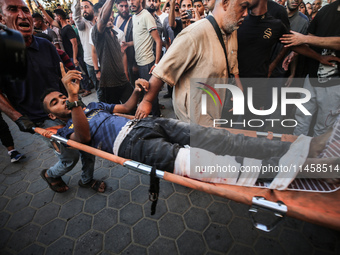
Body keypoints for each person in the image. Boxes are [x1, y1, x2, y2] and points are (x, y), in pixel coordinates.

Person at [42, 65, 340, 190]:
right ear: (56, 116)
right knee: (216, 164)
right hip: (133, 146)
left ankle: (303, 147)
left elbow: (125, 108)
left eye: (59, 97)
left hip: (148, 124)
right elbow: (85, 137)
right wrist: (72, 99)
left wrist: (136, 90)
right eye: (55, 102)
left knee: (222, 139)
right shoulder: (67, 130)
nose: (60, 101)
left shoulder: (92, 106)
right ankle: (315, 169)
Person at [0, 0, 95, 193]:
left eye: (25, 9)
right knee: (70, 156)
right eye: (12, 9)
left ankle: (86, 179)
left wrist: (76, 100)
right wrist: (17, 117)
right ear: (1, 18)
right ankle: (51, 175)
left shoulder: (45, 45)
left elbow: (62, 76)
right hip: (40, 120)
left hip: (66, 107)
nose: (22, 15)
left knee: (88, 142)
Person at [135, 0, 249, 126]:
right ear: (225, 3)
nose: (246, 14)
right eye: (243, 7)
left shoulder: (232, 30)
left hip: (216, 108)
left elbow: (233, 65)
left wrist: (238, 90)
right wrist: (147, 101)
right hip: (194, 118)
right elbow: (163, 70)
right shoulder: (194, 34)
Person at [280, 0, 340, 136]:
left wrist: (305, 39)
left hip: (335, 84)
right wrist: (295, 51)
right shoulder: (326, 11)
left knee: (323, 128)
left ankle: (314, 157)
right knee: (300, 120)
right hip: (312, 78)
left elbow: (310, 39)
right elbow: (311, 36)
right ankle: (295, 154)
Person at [91, 0, 132, 104]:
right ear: (96, 18)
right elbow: (103, 20)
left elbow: (122, 55)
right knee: (115, 114)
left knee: (131, 108)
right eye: (106, 14)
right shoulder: (97, 33)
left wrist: (125, 73)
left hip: (122, 80)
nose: (110, 17)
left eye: (112, 14)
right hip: (109, 84)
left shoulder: (114, 32)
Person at [130, 0, 163, 117]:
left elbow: (158, 41)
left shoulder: (146, 15)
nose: (131, 2)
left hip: (148, 63)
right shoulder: (134, 17)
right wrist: (127, 45)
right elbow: (140, 38)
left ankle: (157, 122)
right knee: (146, 95)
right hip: (140, 62)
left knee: (150, 97)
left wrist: (157, 63)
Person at [71, 0, 98, 97]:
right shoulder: (82, 25)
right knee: (99, 89)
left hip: (104, 60)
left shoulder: (99, 22)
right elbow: (77, 16)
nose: (84, 10)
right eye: (82, 8)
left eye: (86, 7)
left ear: (92, 8)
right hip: (91, 62)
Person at [114, 0, 138, 87]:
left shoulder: (133, 19)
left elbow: (139, 40)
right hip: (119, 58)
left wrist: (135, 63)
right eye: (121, 6)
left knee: (134, 82)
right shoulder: (115, 19)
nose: (124, 9)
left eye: (126, 6)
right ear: (116, 6)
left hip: (131, 58)